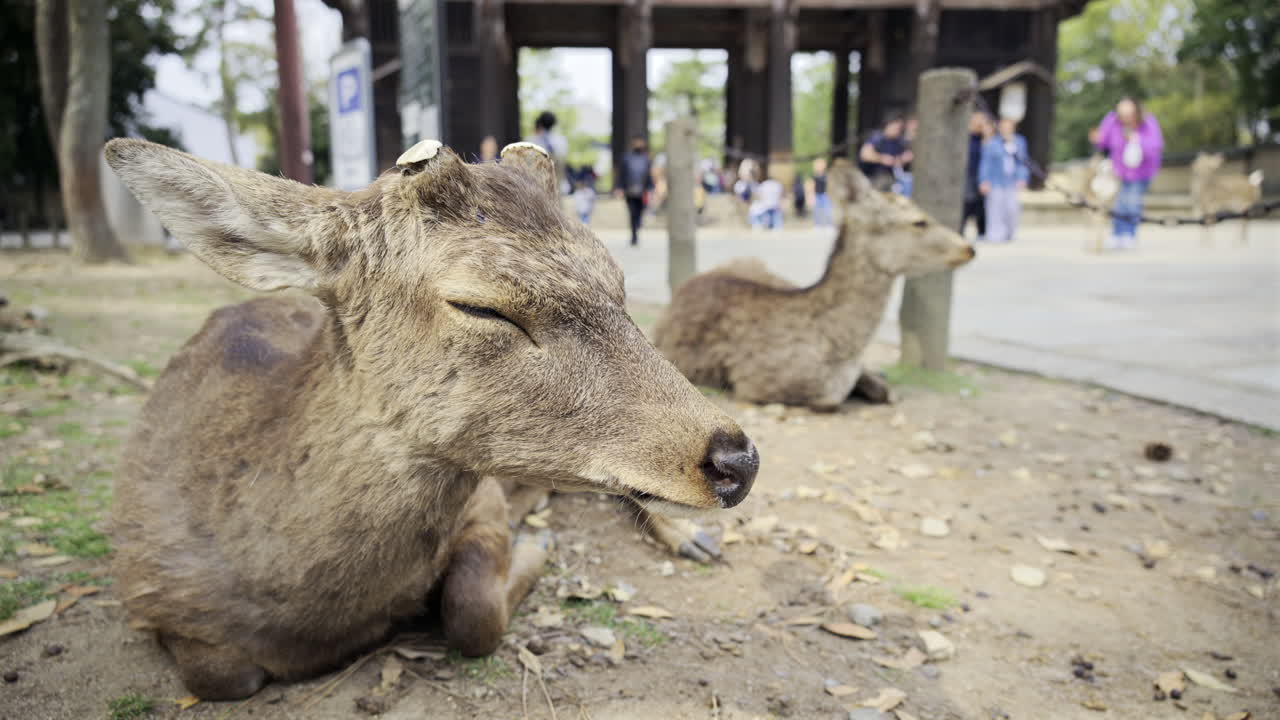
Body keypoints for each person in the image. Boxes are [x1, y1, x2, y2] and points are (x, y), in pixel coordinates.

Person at [1093, 97, 1163, 250]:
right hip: (1119, 171)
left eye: (1128, 115)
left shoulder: (1148, 122)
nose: (1125, 118)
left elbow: (1156, 145)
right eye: (1122, 115)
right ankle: (1117, 234)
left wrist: (1137, 140)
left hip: (1141, 171)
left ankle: (1129, 234)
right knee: (1119, 203)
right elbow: (1103, 142)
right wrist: (1097, 138)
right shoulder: (1112, 120)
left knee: (1132, 202)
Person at [979, 116, 1029, 243]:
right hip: (996, 181)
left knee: (1012, 208)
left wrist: (1022, 178)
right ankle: (995, 234)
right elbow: (986, 163)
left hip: (1012, 181)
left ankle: (1010, 232)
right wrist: (984, 180)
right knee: (995, 209)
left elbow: (1023, 162)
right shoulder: (992, 143)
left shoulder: (1019, 141)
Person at [859, 114, 913, 192]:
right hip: (873, 177)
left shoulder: (899, 142)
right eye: (896, 127)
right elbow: (865, 154)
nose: (898, 130)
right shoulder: (877, 138)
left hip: (892, 179)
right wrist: (881, 159)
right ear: (888, 125)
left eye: (900, 128)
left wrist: (901, 159)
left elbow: (898, 160)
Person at [616, 135, 653, 246]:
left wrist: (650, 188)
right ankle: (634, 235)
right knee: (632, 212)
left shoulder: (646, 159)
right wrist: (619, 187)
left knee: (640, 212)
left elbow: (648, 176)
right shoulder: (627, 158)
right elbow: (621, 175)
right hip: (630, 190)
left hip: (642, 191)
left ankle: (636, 228)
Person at [962, 112, 992, 240]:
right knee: (968, 203)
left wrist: (987, 137)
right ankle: (960, 229)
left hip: (983, 177)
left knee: (981, 205)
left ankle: (982, 232)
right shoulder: (966, 137)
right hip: (968, 175)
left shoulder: (987, 140)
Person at [525, 111, 569, 192]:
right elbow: (562, 160)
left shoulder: (532, 140)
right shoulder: (560, 140)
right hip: (555, 181)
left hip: (537, 180)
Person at [807, 157, 832, 226]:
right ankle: (817, 225)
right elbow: (810, 186)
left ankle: (829, 225)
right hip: (817, 195)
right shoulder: (813, 176)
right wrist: (810, 196)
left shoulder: (827, 175)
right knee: (817, 212)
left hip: (826, 195)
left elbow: (830, 186)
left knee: (828, 211)